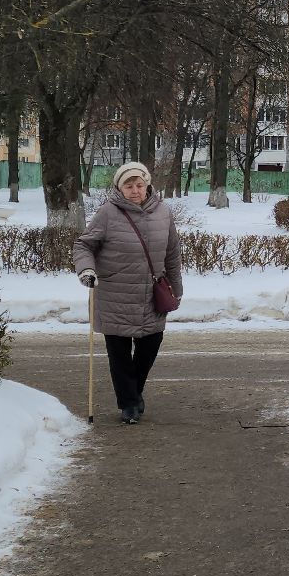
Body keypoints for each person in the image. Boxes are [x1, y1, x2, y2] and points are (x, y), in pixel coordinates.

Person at [74, 162, 183, 424]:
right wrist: (86, 270)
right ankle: (129, 405)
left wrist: (176, 288)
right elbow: (84, 245)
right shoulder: (108, 213)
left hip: (152, 294)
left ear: (147, 185)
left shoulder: (163, 213)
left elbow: (172, 253)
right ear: (119, 188)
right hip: (115, 294)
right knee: (119, 354)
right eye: (128, 185)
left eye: (139, 185)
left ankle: (134, 392)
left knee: (149, 348)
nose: (135, 190)